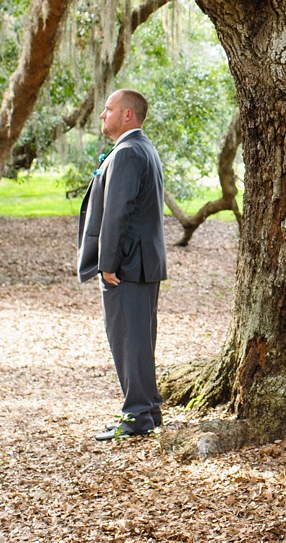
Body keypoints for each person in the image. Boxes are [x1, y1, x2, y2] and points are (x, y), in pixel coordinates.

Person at [77, 89, 168, 441]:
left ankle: (136, 417)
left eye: (109, 109)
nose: (103, 115)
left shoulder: (129, 152)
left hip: (128, 265)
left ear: (127, 115)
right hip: (142, 263)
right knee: (138, 342)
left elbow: (118, 212)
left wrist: (107, 263)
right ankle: (148, 410)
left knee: (129, 342)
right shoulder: (142, 148)